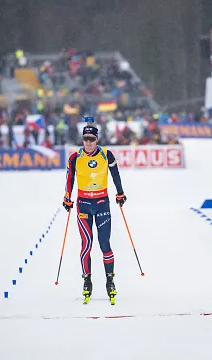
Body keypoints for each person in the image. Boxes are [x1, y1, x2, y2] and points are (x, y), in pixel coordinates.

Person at [62, 122, 126, 303]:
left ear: (97, 139)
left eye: (91, 139)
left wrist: (120, 192)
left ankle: (110, 281)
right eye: (85, 139)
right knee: (86, 244)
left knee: (104, 244)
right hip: (83, 205)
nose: (88, 143)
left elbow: (115, 175)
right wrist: (67, 197)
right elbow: (69, 179)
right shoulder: (75, 157)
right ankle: (87, 280)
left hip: (102, 203)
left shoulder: (106, 154)